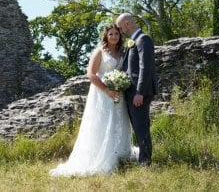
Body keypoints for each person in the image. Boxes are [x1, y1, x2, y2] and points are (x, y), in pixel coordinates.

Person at [49, 24, 135, 177]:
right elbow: (91, 74)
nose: (114, 36)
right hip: (102, 92)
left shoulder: (122, 51)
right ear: (106, 36)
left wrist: (119, 84)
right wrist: (107, 89)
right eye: (111, 34)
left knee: (119, 120)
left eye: (116, 34)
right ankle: (102, 157)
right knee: (103, 122)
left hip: (118, 92)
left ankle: (120, 155)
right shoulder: (99, 52)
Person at [115, 13, 157, 166]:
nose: (120, 31)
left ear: (127, 24)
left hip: (139, 93)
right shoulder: (133, 41)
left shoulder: (143, 39)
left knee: (141, 127)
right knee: (138, 127)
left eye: (120, 27)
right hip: (132, 92)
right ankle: (143, 159)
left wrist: (139, 92)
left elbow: (145, 68)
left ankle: (145, 162)